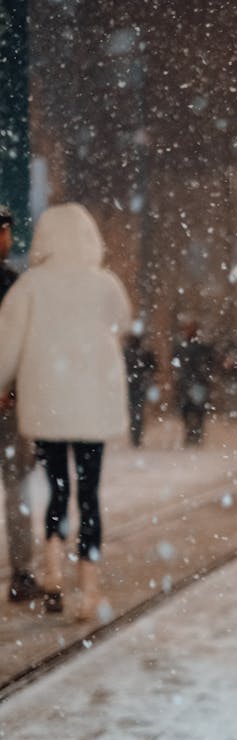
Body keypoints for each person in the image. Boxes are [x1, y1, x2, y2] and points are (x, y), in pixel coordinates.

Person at [0, 202, 131, 619]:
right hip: (93, 408)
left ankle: (53, 569)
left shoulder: (30, 285)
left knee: (57, 489)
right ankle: (88, 589)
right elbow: (122, 324)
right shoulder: (106, 284)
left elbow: (7, 346)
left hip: (49, 406)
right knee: (88, 494)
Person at [0, 203, 40, 604]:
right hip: (9, 405)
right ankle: (22, 573)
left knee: (17, 491)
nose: (7, 240)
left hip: (9, 403)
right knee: (17, 491)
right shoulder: (15, 284)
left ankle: (23, 572)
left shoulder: (16, 283)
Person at [172, 320, 214, 446]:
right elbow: (176, 363)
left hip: (198, 383)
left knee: (198, 411)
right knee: (186, 410)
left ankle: (196, 433)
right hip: (186, 383)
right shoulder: (180, 348)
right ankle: (190, 432)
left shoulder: (202, 347)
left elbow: (208, 363)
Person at [123, 323, 157, 447]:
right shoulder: (142, 351)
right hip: (138, 385)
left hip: (135, 385)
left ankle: (135, 436)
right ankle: (136, 436)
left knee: (135, 412)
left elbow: (152, 366)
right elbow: (153, 367)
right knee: (137, 412)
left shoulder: (130, 351)